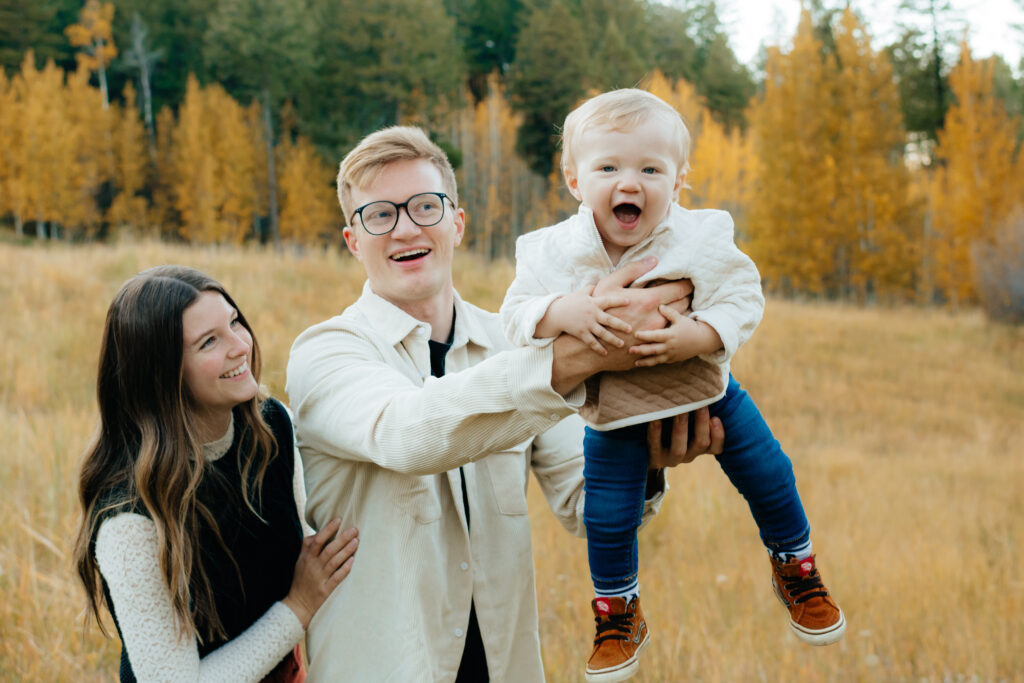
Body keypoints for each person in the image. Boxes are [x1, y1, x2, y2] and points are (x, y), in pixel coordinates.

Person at [285, 125, 724, 682]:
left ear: (457, 224)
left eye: (425, 206)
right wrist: (589, 352)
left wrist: (648, 461)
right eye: (379, 215)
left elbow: (585, 506)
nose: (405, 229)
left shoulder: (517, 346)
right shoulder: (325, 353)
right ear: (353, 241)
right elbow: (408, 433)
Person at [500, 88, 846, 682]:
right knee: (608, 516)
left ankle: (796, 565)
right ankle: (617, 612)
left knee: (769, 471)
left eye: (650, 169)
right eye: (608, 167)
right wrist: (564, 311)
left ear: (680, 179)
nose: (628, 182)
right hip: (614, 412)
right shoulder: (551, 251)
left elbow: (743, 296)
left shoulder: (701, 236)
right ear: (573, 179)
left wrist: (702, 335)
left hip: (709, 394)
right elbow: (515, 315)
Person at [73, 265, 360, 682]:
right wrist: (297, 607)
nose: (240, 346)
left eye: (234, 322)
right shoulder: (129, 520)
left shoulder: (271, 426)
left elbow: (304, 552)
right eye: (209, 342)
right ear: (161, 374)